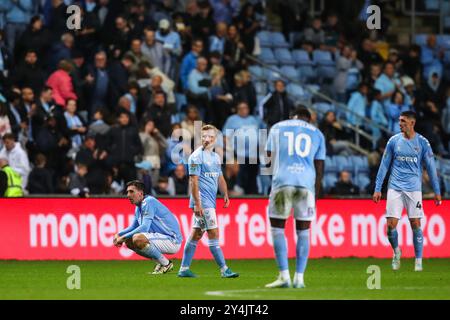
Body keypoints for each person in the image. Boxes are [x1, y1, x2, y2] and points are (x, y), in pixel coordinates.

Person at [264, 106, 325, 289]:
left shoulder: (277, 127)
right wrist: (317, 190)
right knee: (304, 231)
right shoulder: (318, 133)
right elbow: (320, 165)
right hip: (306, 185)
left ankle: (284, 276)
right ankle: (300, 278)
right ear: (309, 119)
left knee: (277, 228)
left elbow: (268, 158)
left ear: (291, 116)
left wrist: (274, 179)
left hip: (282, 181)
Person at [373, 111, 442, 272]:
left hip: (414, 190)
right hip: (395, 188)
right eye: (399, 121)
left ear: (412, 123)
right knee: (390, 226)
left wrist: (437, 191)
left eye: (403, 121)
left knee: (416, 224)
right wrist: (377, 188)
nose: (400, 123)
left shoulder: (423, 143)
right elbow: (384, 166)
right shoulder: (393, 141)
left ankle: (418, 261)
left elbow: (431, 168)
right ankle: (396, 252)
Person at [178, 124, 238, 278]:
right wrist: (197, 204)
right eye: (204, 136)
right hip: (202, 202)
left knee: (196, 234)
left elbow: (220, 176)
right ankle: (224, 269)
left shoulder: (216, 157)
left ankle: (184, 269)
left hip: (210, 201)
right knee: (214, 232)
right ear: (200, 138)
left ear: (215, 139)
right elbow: (193, 182)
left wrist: (225, 193)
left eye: (210, 136)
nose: (207, 139)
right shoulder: (196, 156)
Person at [114, 180, 183, 274]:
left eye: (131, 191)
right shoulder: (138, 207)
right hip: (160, 238)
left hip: (172, 240)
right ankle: (160, 263)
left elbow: (145, 227)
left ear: (140, 193)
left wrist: (122, 237)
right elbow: (133, 227)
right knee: (129, 241)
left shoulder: (148, 202)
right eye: (127, 192)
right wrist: (119, 234)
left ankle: (166, 264)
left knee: (137, 238)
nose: (128, 195)